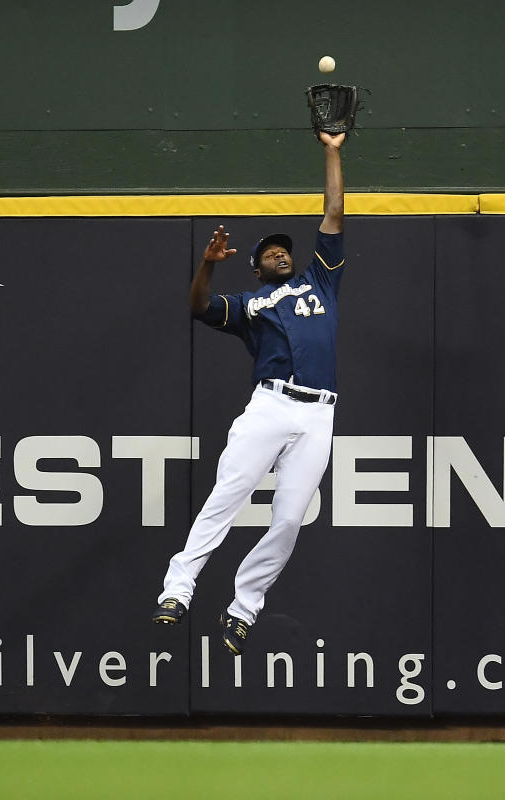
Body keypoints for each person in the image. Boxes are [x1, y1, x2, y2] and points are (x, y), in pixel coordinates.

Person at [152, 130, 348, 655]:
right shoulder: (248, 305)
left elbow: (334, 211)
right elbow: (198, 307)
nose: (280, 254)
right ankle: (178, 589)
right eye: (270, 253)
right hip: (271, 404)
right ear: (256, 266)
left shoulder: (320, 280)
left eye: (284, 249)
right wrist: (208, 264)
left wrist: (333, 151)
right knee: (227, 497)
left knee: (289, 520)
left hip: (318, 417)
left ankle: (243, 608)